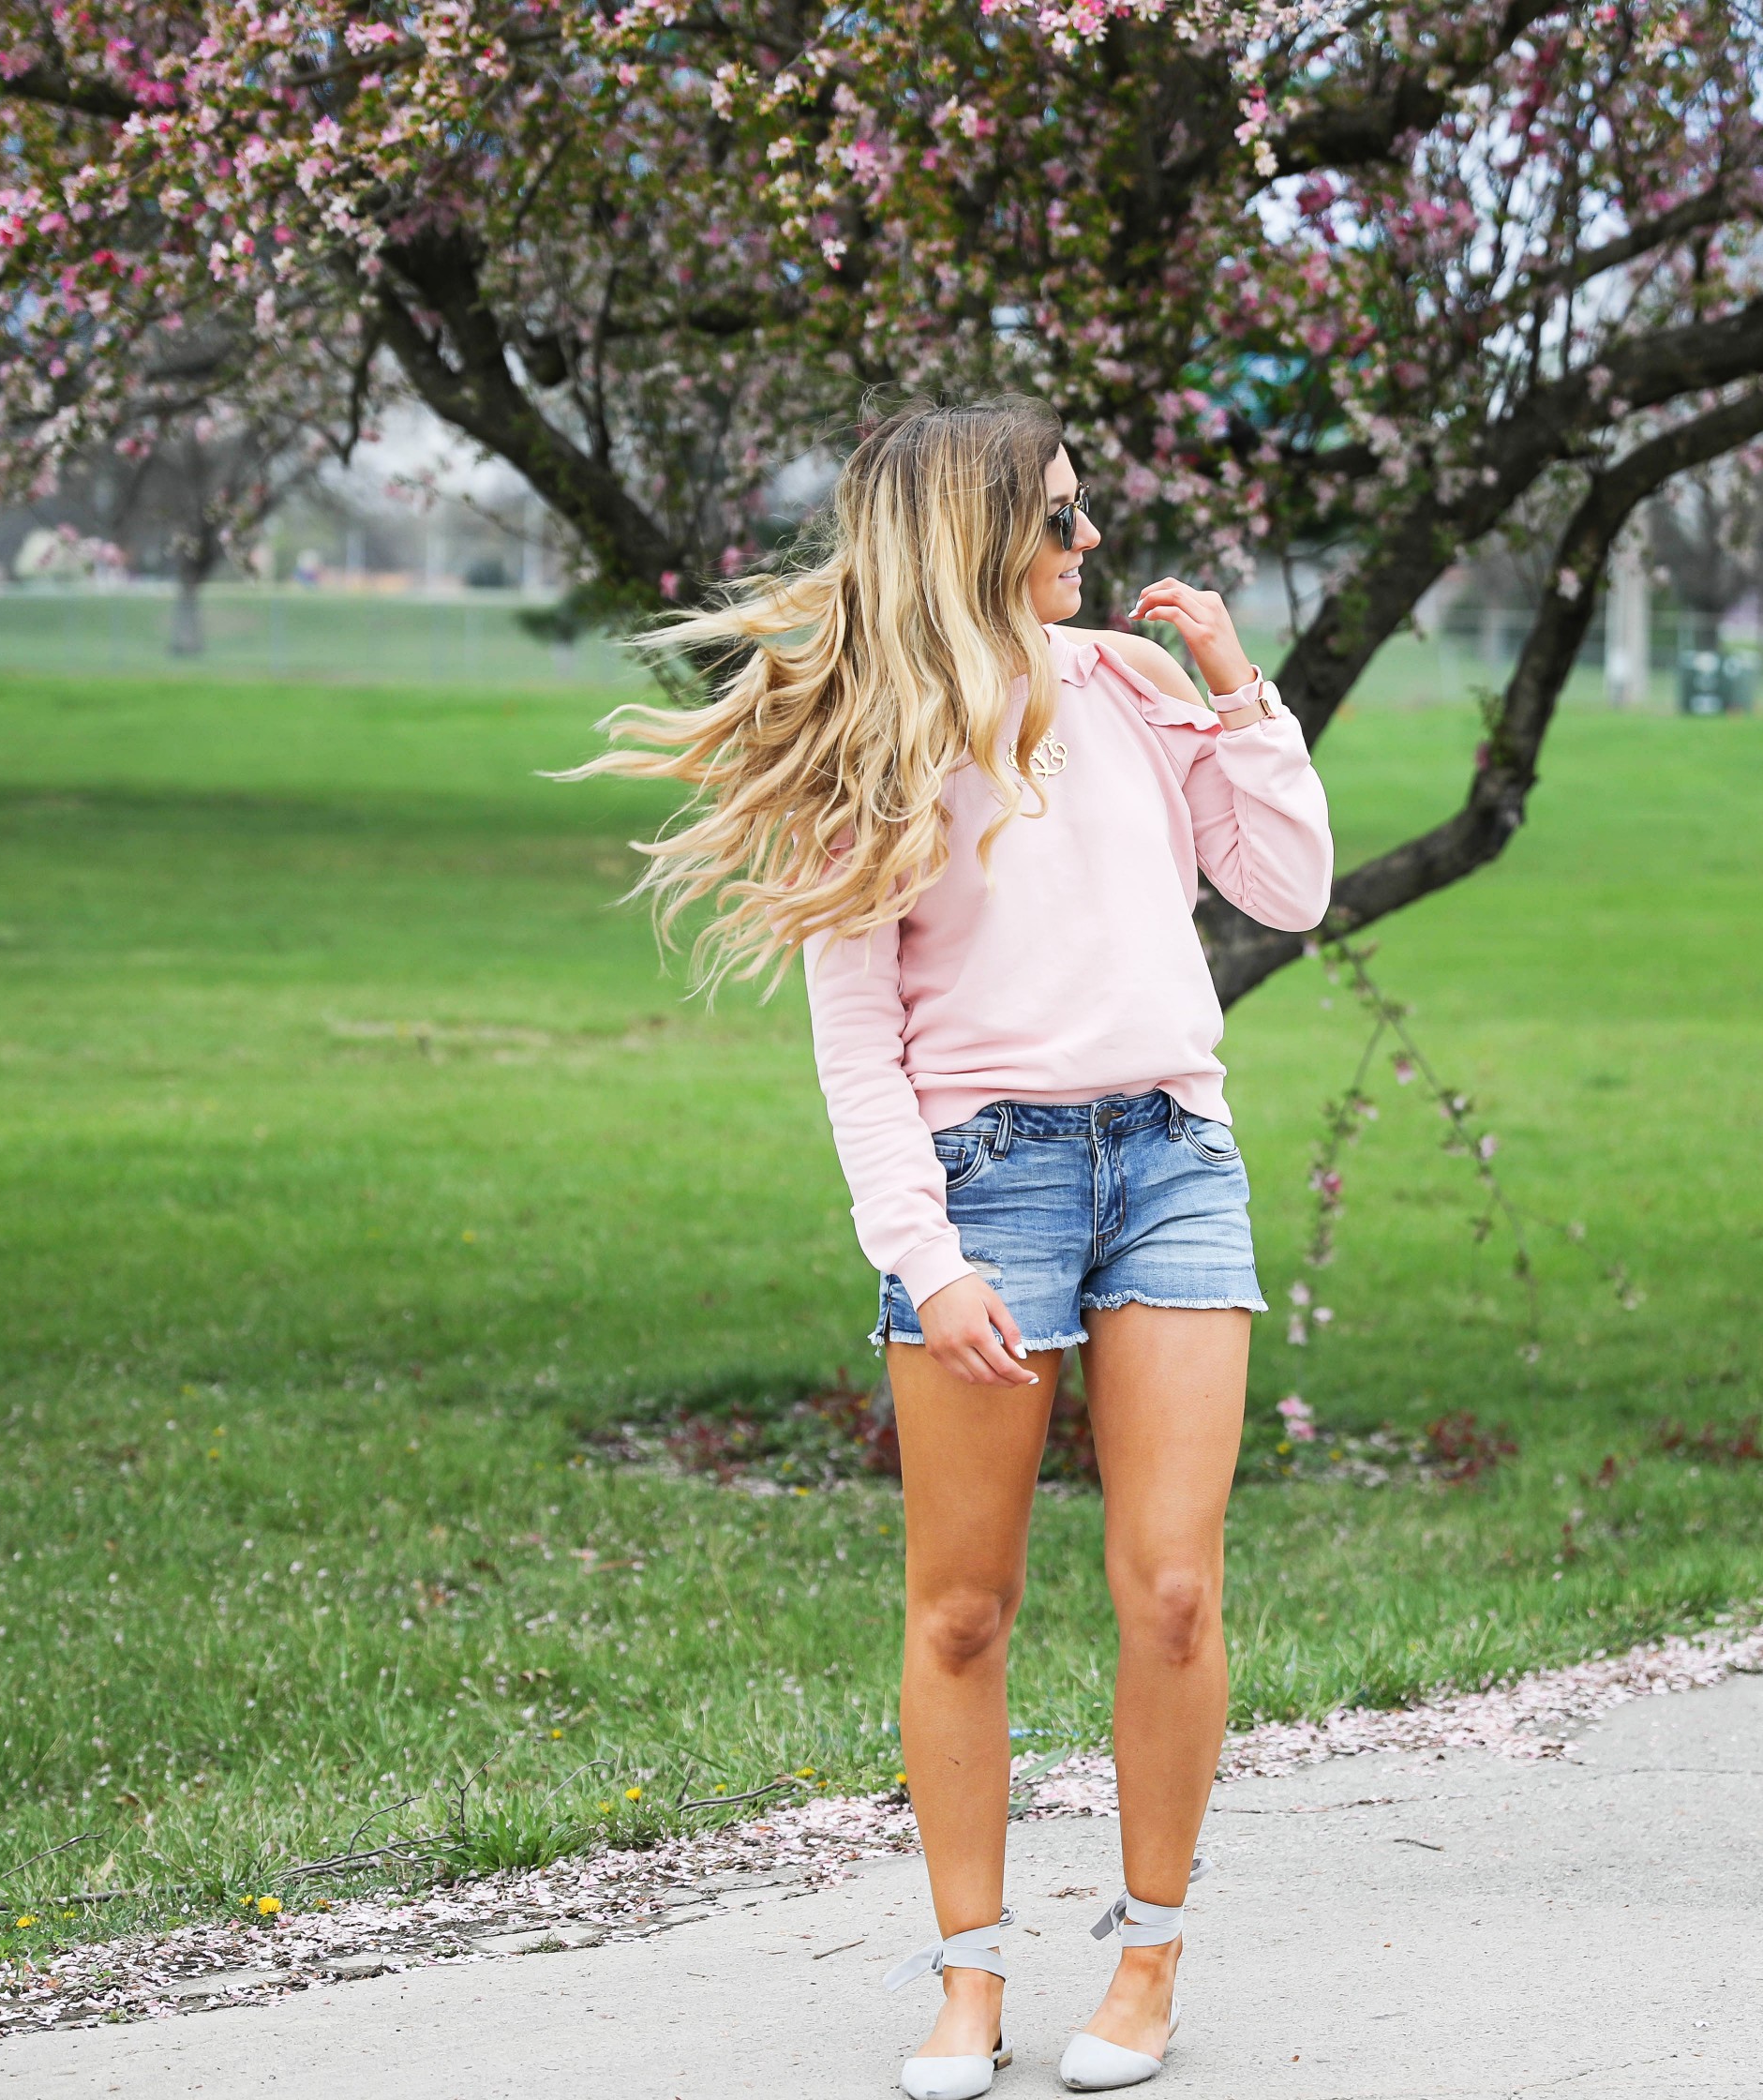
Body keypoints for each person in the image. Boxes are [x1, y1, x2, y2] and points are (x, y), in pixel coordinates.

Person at [566, 396, 1333, 2094]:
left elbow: (1286, 889)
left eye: (1084, 515)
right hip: (988, 1184)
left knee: (1178, 1587)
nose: (1088, 549)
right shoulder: (874, 742)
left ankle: (1147, 1962)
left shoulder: (1135, 692)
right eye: (1055, 523)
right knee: (967, 1609)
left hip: (1175, 1156)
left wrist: (1240, 691)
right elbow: (857, 1044)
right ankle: (969, 1982)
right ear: (968, 536)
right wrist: (926, 1256)